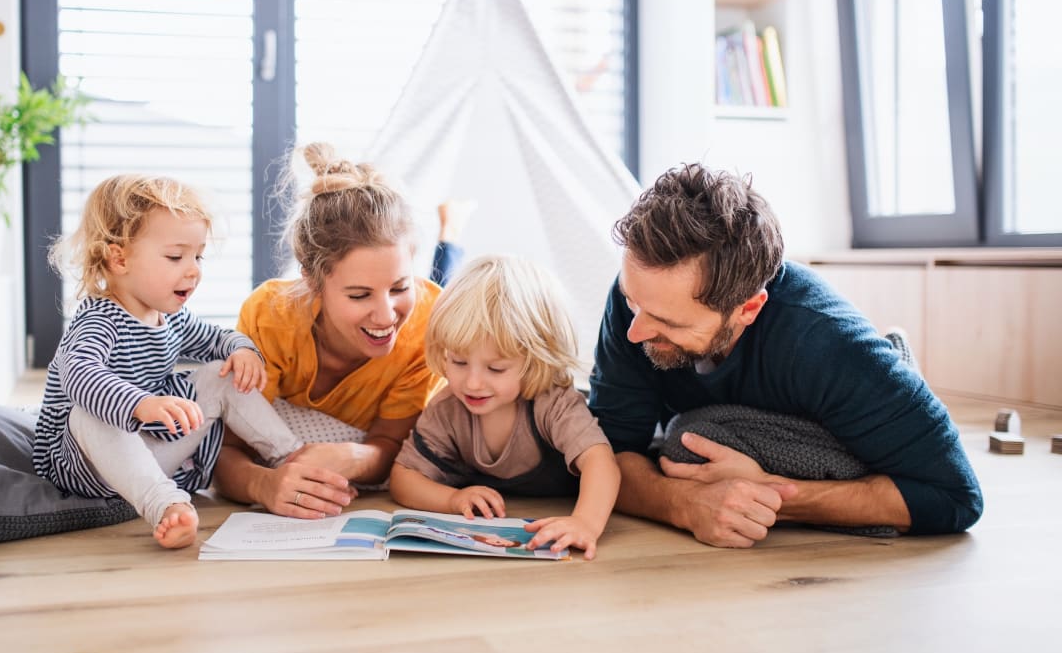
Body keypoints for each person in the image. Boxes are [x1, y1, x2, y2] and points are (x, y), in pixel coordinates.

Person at [588, 163, 983, 548]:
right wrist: (683, 505)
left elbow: (955, 497)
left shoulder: (827, 343)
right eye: (631, 300)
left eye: (667, 321)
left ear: (748, 308)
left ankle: (898, 366)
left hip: (837, 400)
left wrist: (771, 496)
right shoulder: (640, 301)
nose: (634, 331)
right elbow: (605, 455)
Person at [33, 174, 302, 549]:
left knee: (218, 374)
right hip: (86, 464)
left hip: (149, 451)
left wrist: (243, 350)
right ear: (119, 257)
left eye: (198, 255)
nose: (193, 270)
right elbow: (78, 375)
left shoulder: (170, 318)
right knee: (87, 411)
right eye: (176, 257)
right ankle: (166, 504)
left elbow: (218, 338)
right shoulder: (98, 321)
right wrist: (140, 404)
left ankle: (291, 455)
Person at [214, 142, 447, 519]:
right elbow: (224, 449)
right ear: (313, 281)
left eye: (401, 288)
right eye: (359, 295)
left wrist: (356, 456)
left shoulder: (426, 322)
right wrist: (263, 485)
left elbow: (394, 444)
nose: (387, 315)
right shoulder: (272, 316)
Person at [390, 255, 620, 560]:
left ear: (535, 362)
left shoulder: (552, 402)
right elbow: (403, 477)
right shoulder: (448, 407)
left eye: (495, 369)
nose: (472, 383)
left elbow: (601, 462)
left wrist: (585, 523)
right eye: (458, 361)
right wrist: (453, 499)